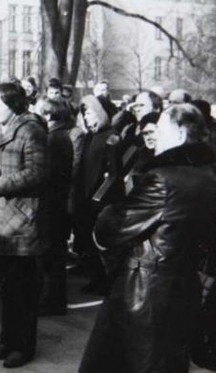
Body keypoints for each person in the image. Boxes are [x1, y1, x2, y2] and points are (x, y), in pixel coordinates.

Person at [79, 103, 216, 373]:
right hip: (184, 289)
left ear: (179, 135)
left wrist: (107, 210)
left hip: (144, 293)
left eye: (161, 131)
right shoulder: (209, 175)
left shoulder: (163, 179)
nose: (154, 139)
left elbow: (111, 229)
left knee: (130, 362)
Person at [0, 82, 48, 368]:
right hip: (1, 216)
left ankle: (24, 346)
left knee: (22, 288)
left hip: (21, 217)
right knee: (7, 287)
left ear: (15, 105)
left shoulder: (30, 130)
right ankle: (7, 339)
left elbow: (37, 173)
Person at [73, 95, 115, 295]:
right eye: (84, 113)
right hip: (85, 196)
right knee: (88, 241)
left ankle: (105, 280)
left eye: (89, 113)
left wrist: (98, 198)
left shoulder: (111, 136)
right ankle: (96, 278)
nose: (86, 117)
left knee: (100, 243)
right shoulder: (90, 136)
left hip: (100, 199)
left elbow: (113, 173)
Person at [38, 98, 74, 316]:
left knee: (53, 255)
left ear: (49, 115)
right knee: (55, 254)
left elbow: (49, 175)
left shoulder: (54, 139)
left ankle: (54, 300)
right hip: (58, 203)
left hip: (52, 204)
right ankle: (55, 299)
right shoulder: (61, 136)